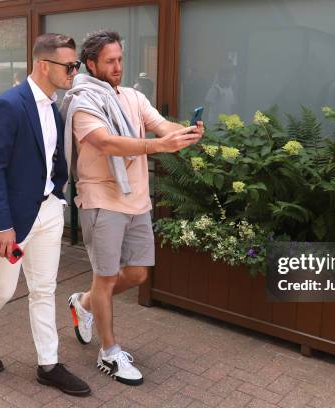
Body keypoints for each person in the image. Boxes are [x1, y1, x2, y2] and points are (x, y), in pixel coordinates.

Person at [61, 29, 204, 385]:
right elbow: (106, 143)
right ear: (91, 63)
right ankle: (109, 353)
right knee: (106, 278)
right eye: (110, 61)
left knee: (139, 273)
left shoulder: (133, 97)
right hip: (101, 199)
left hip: (136, 199)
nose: (118, 66)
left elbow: (159, 125)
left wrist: (184, 133)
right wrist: (159, 147)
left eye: (120, 59)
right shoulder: (82, 101)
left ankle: (84, 304)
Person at [0, 33, 90, 397]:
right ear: (44, 65)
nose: (74, 72)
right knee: (1, 288)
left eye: (75, 65)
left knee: (44, 290)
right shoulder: (10, 105)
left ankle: (49, 364)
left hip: (48, 210)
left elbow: (53, 159)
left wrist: (58, 193)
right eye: (69, 66)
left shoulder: (56, 105)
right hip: (12, 218)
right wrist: (2, 224)